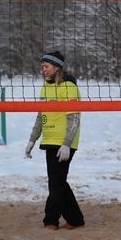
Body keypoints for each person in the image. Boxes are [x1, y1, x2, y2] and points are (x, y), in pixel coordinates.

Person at [25, 51, 84, 230]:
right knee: (57, 181)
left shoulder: (68, 87)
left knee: (56, 182)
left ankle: (50, 221)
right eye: (42, 66)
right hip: (49, 140)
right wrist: (32, 140)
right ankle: (75, 219)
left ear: (56, 67)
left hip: (64, 142)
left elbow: (74, 117)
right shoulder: (46, 86)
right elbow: (40, 115)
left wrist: (67, 143)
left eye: (46, 66)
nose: (43, 70)